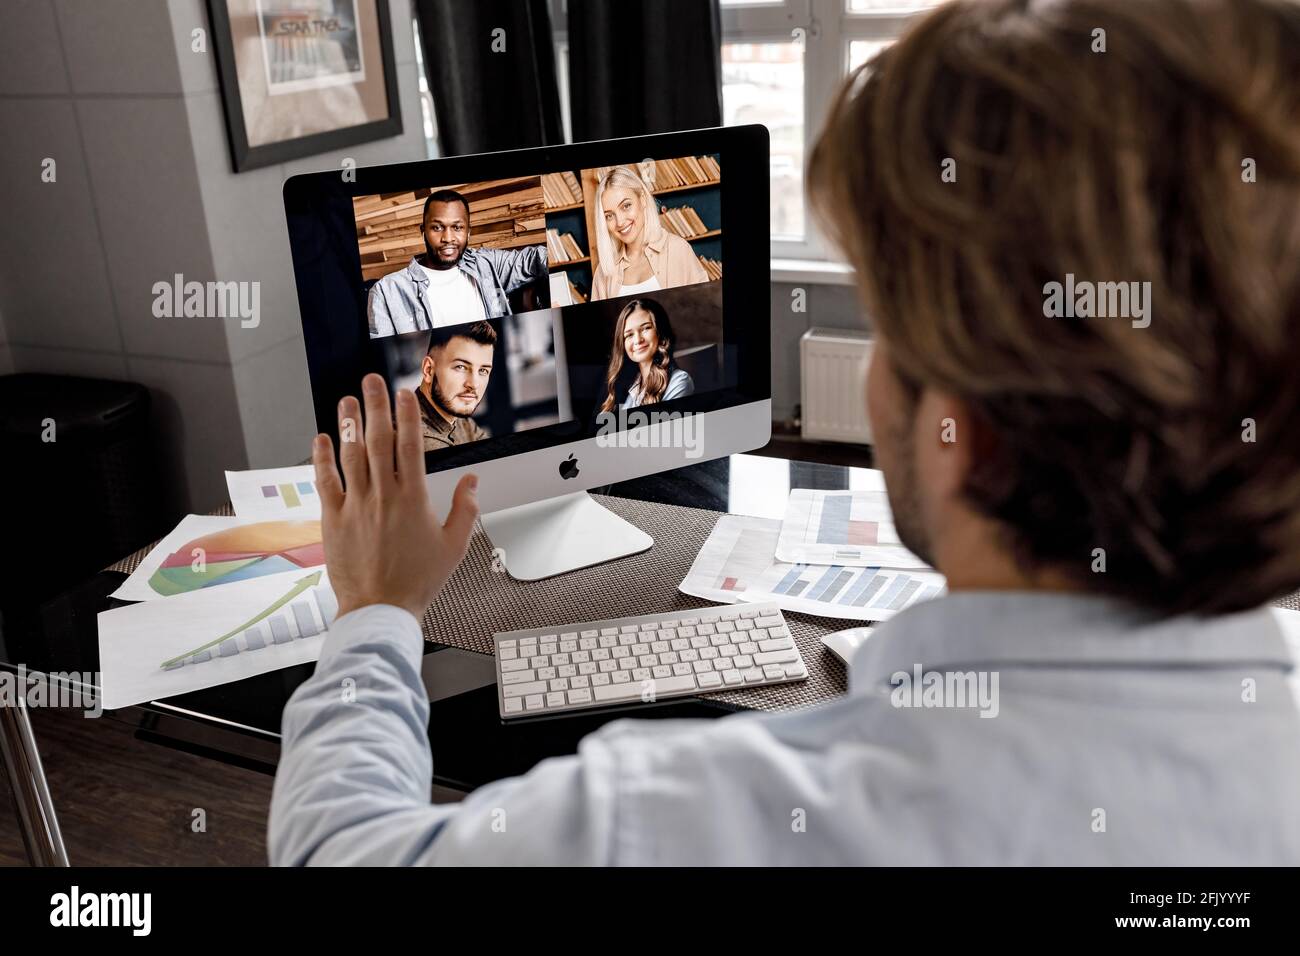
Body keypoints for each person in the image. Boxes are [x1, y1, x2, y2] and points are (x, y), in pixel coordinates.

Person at [269, 0, 1300, 865]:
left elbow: (339, 849)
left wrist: (374, 612)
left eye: (889, 321)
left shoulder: (680, 821)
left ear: (967, 432)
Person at [368, 189, 547, 337]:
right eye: (437, 227)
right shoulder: (386, 291)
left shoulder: (487, 264)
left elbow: (537, 258)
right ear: (423, 232)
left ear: (468, 232)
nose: (448, 238)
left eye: (457, 227)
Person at [589, 164, 709, 301]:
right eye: (609, 216)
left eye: (626, 206)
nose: (620, 222)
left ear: (642, 199)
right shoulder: (604, 270)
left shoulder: (678, 249)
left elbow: (705, 310)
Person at [599, 298, 694, 413]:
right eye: (629, 335)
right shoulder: (627, 385)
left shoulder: (679, 381)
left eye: (646, 328)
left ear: (660, 332)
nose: (638, 340)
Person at [415, 321, 496, 451]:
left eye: (483, 371)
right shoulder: (419, 440)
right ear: (429, 370)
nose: (474, 384)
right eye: (461, 367)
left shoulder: (460, 420)